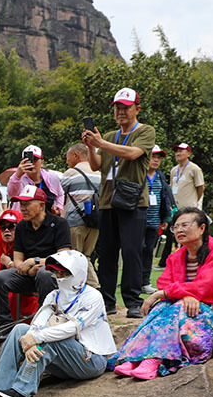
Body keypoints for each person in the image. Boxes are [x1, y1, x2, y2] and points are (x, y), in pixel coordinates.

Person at [0, 250, 115, 397]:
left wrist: (36, 337)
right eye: (55, 271)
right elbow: (38, 321)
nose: (58, 276)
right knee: (20, 329)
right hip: (64, 360)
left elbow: (72, 328)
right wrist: (30, 339)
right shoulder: (54, 295)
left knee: (49, 340)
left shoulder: (93, 297)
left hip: (91, 360)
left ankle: (23, 393)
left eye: (63, 272)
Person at [111, 208, 213, 380]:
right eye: (176, 226)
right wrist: (184, 295)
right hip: (187, 306)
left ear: (202, 228)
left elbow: (203, 286)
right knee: (164, 306)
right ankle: (134, 359)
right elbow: (164, 282)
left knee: (172, 305)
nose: (179, 230)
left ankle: (153, 360)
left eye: (185, 225)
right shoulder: (176, 256)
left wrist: (165, 293)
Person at [82, 87, 156, 318]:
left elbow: (133, 153)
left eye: (125, 107)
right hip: (107, 200)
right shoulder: (111, 136)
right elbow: (96, 166)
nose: (121, 112)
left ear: (137, 108)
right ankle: (107, 301)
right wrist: (91, 146)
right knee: (107, 253)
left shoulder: (145, 131)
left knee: (132, 251)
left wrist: (101, 143)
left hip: (133, 201)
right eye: (117, 107)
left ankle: (133, 301)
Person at [0, 185, 72, 342]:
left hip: (53, 275)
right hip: (28, 274)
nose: (23, 208)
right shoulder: (21, 226)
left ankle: (43, 323)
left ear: (41, 205)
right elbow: (18, 260)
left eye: (27, 204)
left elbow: (64, 257)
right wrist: (26, 267)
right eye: (21, 204)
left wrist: (36, 262)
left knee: (44, 273)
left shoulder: (59, 224)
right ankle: (5, 325)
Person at [59, 143, 101, 288]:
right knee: (87, 256)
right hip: (96, 221)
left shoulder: (70, 173)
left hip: (75, 221)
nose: (67, 161)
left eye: (68, 157)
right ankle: (91, 289)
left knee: (75, 257)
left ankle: (93, 288)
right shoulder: (99, 173)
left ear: (76, 155)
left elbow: (59, 195)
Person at [142, 146, 174, 293]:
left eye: (159, 158)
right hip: (137, 221)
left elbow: (165, 197)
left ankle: (145, 282)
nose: (156, 160)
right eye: (153, 156)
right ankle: (132, 281)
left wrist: (165, 217)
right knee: (135, 251)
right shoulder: (139, 174)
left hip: (154, 222)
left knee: (149, 251)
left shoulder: (160, 176)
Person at [6, 145, 64, 215]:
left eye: (35, 160)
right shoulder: (18, 178)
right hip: (25, 220)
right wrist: (17, 175)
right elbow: (11, 193)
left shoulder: (52, 176)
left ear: (42, 162)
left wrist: (59, 208)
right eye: (28, 160)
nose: (32, 163)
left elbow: (60, 194)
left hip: (48, 221)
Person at [170, 143, 204, 210]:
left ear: (188, 154)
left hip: (189, 209)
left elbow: (201, 187)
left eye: (180, 151)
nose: (178, 153)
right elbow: (171, 186)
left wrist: (194, 201)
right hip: (175, 209)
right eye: (176, 151)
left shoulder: (194, 168)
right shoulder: (173, 170)